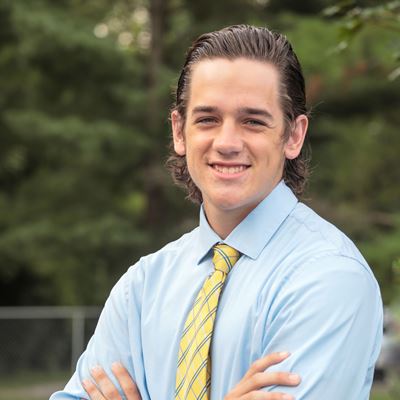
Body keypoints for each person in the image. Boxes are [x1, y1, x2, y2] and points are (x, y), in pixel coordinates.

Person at [50, 25, 383, 400]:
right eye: (207, 119)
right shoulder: (142, 288)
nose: (227, 143)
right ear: (180, 131)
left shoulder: (329, 277)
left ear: (293, 135)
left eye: (253, 121)